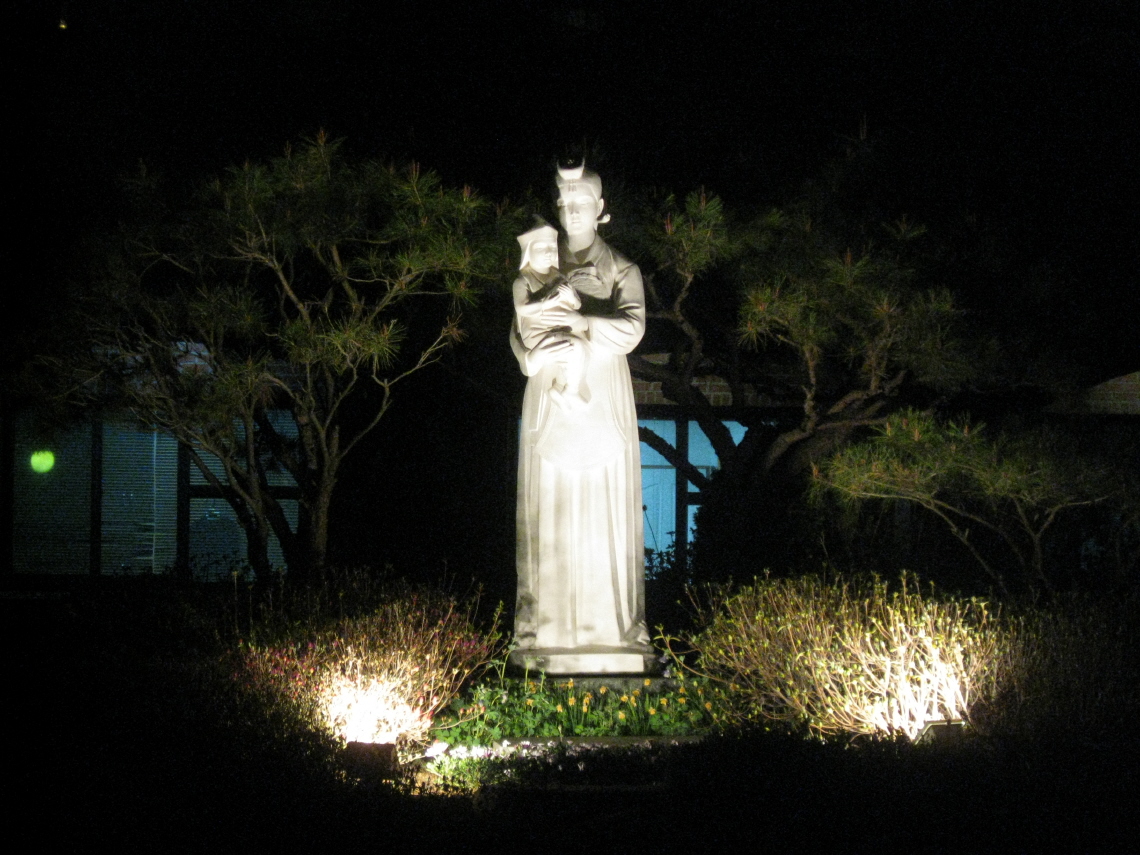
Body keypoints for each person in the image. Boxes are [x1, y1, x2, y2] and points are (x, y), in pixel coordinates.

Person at [510, 164, 650, 674]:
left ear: (600, 210)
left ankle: (610, 630)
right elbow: (517, 326)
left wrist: (583, 321)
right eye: (564, 204)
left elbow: (632, 329)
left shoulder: (623, 269)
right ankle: (544, 631)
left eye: (581, 204)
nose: (571, 213)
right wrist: (529, 356)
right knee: (549, 506)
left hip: (600, 392)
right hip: (550, 388)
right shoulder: (540, 261)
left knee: (602, 510)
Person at [513, 223, 589, 410]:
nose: (548, 253)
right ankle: (568, 390)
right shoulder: (523, 281)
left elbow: (577, 304)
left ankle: (562, 389)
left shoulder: (560, 277)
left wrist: (572, 298)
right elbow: (521, 308)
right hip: (539, 333)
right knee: (575, 348)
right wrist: (544, 304)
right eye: (541, 248)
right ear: (529, 252)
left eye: (552, 248)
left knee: (577, 351)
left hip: (562, 328)